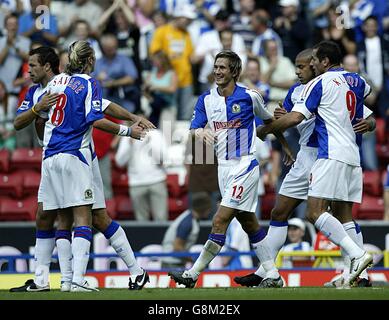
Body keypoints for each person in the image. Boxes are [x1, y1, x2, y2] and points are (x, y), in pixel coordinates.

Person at [10, 44, 153, 292]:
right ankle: (63, 280)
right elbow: (24, 122)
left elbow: (104, 105)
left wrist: (131, 117)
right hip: (67, 154)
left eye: (32, 65)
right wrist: (129, 130)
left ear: (48, 67)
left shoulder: (62, 84)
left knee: (91, 216)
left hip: (81, 156)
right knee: (62, 216)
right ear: (89, 60)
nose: (29, 71)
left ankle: (129, 272)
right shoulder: (49, 90)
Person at [168, 50, 294, 288]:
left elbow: (269, 122)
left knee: (219, 220)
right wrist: (200, 132)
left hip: (245, 165)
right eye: (216, 67)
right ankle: (273, 275)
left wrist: (285, 146)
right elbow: (193, 128)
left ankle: (192, 275)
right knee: (249, 223)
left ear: (235, 71)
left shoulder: (250, 96)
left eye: (223, 67)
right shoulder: (205, 99)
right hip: (222, 169)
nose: (217, 71)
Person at [255, 41, 374, 288]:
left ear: (324, 62)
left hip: (328, 153)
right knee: (342, 215)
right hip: (352, 154)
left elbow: (296, 117)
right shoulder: (356, 81)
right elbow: (360, 106)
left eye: (313, 62)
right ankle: (354, 276)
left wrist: (265, 129)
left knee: (314, 212)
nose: (309, 66)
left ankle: (358, 255)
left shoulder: (318, 83)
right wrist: (370, 123)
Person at [115, 113, 169, 222]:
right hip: (136, 183)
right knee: (141, 221)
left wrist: (150, 144)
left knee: (162, 219)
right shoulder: (128, 137)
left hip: (157, 181)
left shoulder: (156, 134)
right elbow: (119, 162)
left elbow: (163, 160)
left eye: (142, 122)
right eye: (138, 122)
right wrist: (130, 144)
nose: (141, 125)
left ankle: (164, 240)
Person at [161, 192, 212, 269]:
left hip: (175, 262)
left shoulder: (192, 218)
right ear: (203, 208)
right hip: (171, 264)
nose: (210, 211)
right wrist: (195, 261)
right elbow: (177, 248)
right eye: (208, 208)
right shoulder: (187, 223)